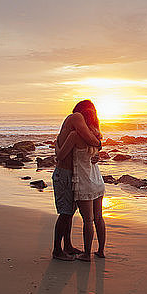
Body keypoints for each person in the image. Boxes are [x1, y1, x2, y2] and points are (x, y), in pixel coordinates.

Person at [55, 102, 106, 262]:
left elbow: (89, 144)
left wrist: (57, 145)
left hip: (77, 177)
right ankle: (57, 249)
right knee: (66, 213)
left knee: (70, 213)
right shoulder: (77, 118)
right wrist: (98, 145)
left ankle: (68, 246)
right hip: (67, 174)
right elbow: (63, 155)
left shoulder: (79, 133)